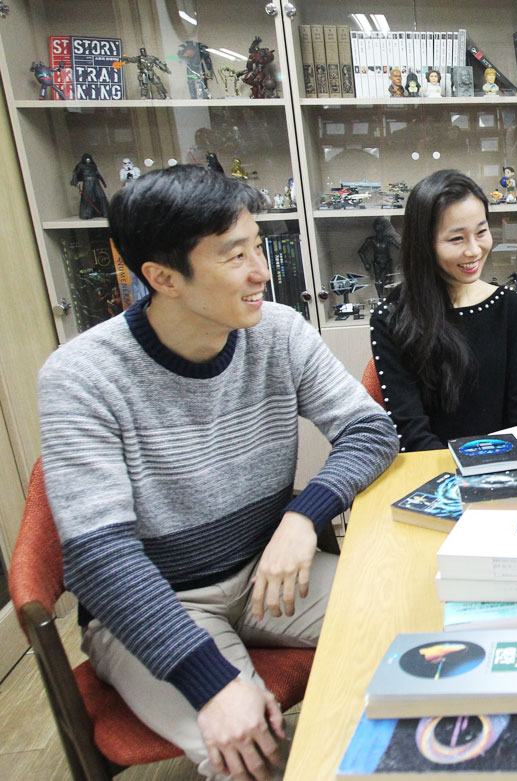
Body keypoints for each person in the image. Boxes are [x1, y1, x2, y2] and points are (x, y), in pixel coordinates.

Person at [37, 165, 398, 780]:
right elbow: (99, 559)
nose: (262, 271)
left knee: (422, 623)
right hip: (156, 609)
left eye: (258, 247)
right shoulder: (82, 376)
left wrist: (301, 517)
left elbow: (371, 431)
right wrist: (212, 683)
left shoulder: (278, 331)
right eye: (236, 256)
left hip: (269, 577)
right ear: (163, 278)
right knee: (257, 756)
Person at [370, 170, 517, 451]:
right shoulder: (392, 317)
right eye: (456, 239)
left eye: (481, 232)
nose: (474, 250)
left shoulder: (508, 306)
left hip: (510, 463)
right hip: (435, 468)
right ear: (424, 243)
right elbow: (411, 431)